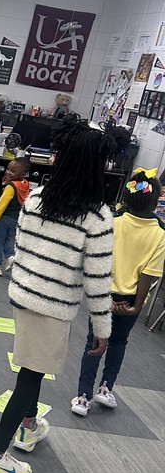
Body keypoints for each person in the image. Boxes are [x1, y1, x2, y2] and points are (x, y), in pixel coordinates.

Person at [0, 123, 114, 473]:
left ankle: (28, 425)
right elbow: (98, 280)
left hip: (24, 298)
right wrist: (102, 328)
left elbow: (21, 249)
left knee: (32, 367)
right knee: (30, 376)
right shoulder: (98, 217)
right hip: (54, 307)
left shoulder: (35, 198)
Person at [71, 170, 165, 415]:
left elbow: (97, 260)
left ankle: (82, 396)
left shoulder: (112, 223)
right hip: (131, 300)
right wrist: (136, 306)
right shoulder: (160, 234)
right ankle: (106, 389)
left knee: (93, 342)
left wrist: (101, 297)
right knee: (118, 343)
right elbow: (149, 274)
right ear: (156, 203)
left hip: (103, 294)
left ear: (125, 199)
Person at [0, 157, 30, 276]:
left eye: (13, 171)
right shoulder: (26, 185)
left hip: (4, 218)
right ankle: (10, 257)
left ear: (22, 174)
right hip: (16, 219)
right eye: (8, 169)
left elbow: (2, 203)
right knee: (8, 240)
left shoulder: (11, 186)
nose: (8, 172)